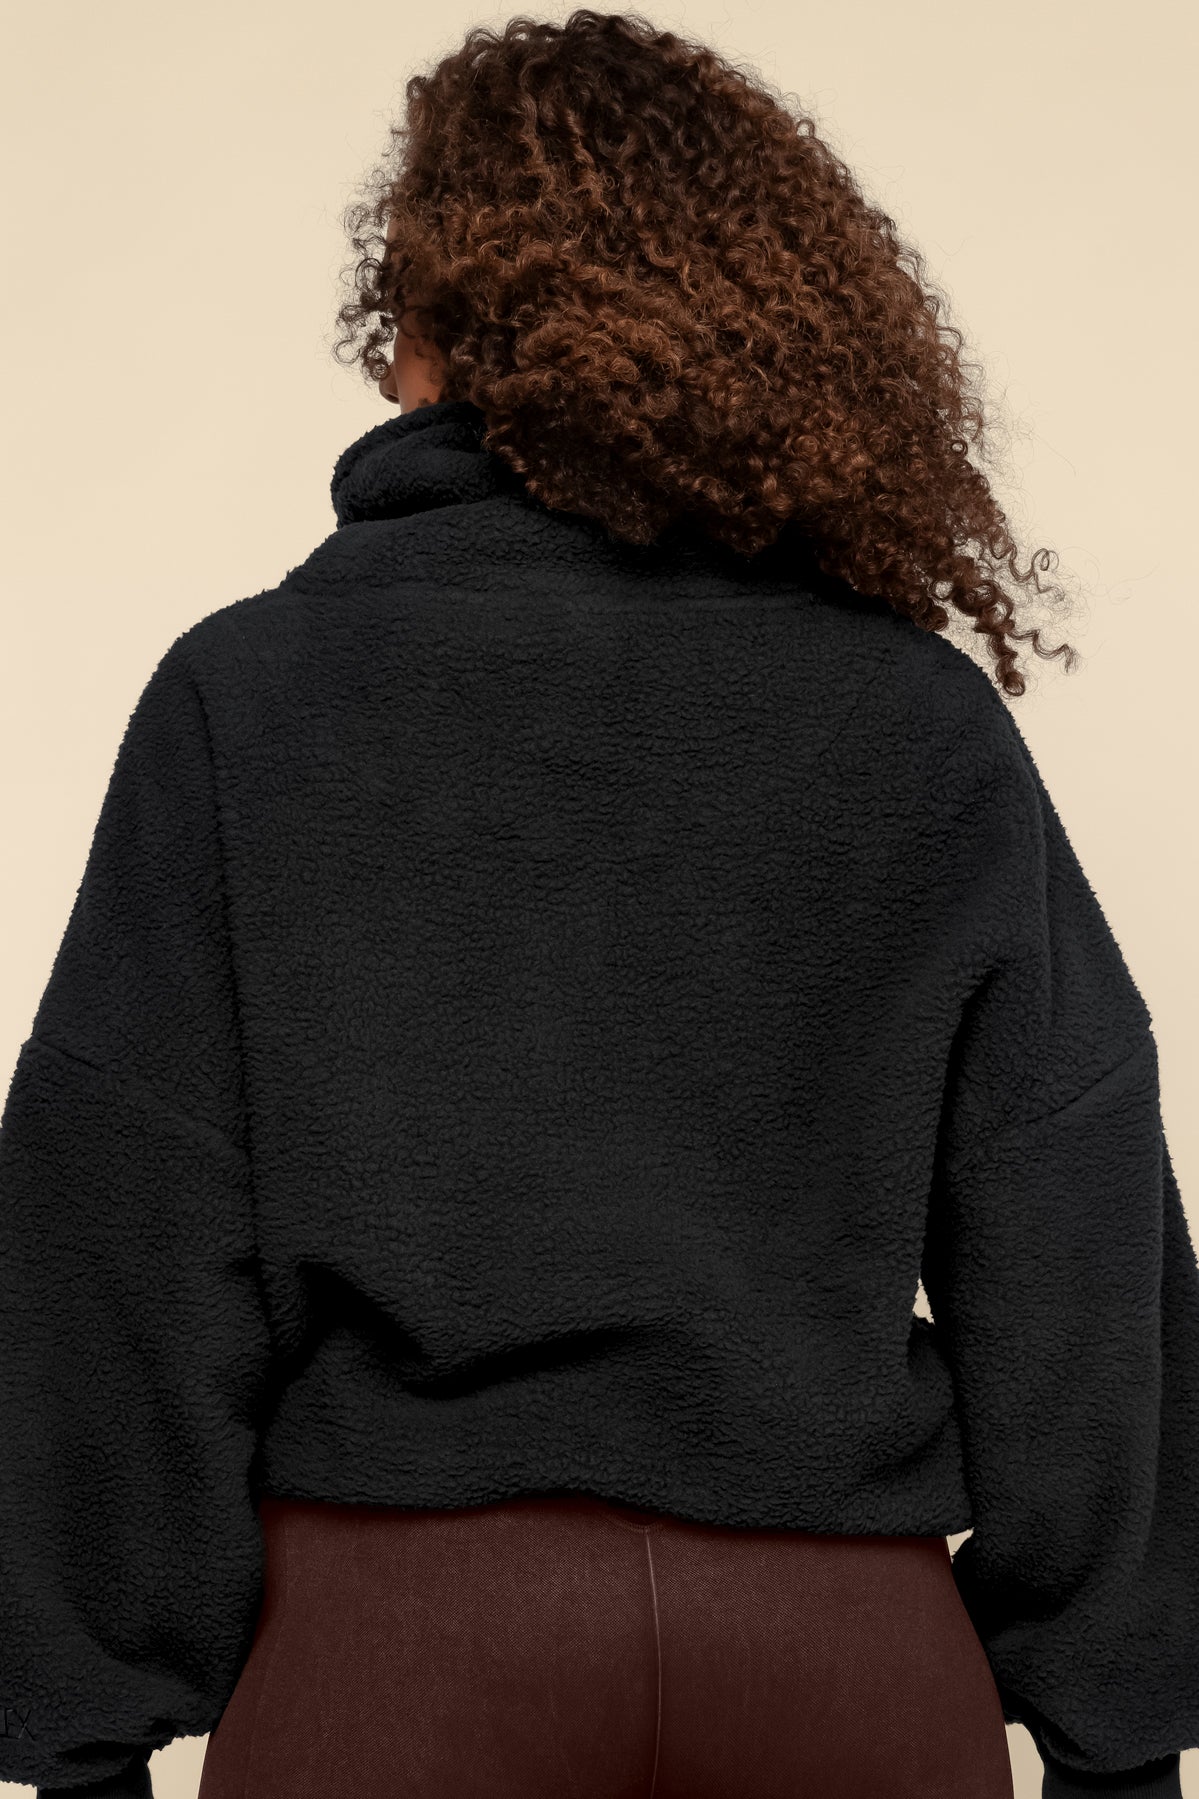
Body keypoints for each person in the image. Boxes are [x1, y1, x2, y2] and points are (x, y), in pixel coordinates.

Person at [1, 12, 1196, 1799]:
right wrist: (1119, 1732)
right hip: (842, 1664)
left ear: (436, 328)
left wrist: (85, 1728)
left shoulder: (251, 700)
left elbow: (123, 1216)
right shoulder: (918, 721)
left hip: (404, 1653)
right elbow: (1068, 1213)